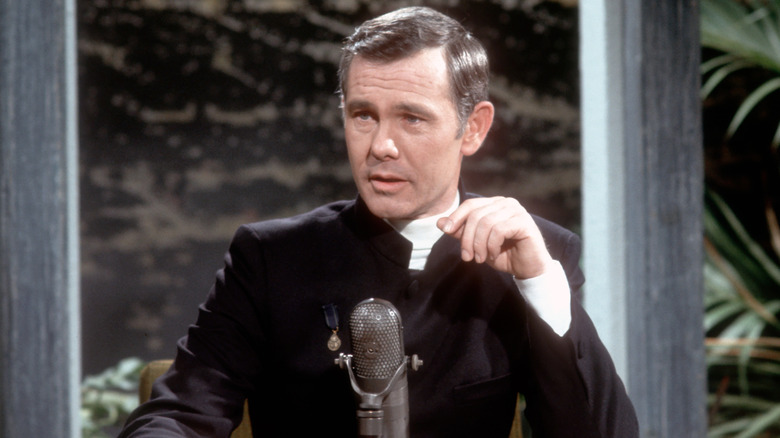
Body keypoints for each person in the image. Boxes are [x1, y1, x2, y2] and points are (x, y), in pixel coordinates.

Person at [119, 6, 638, 437]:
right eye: (363, 115)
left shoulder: (537, 252)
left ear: (473, 128)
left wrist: (538, 282)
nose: (380, 147)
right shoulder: (271, 257)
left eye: (412, 118)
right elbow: (180, 413)